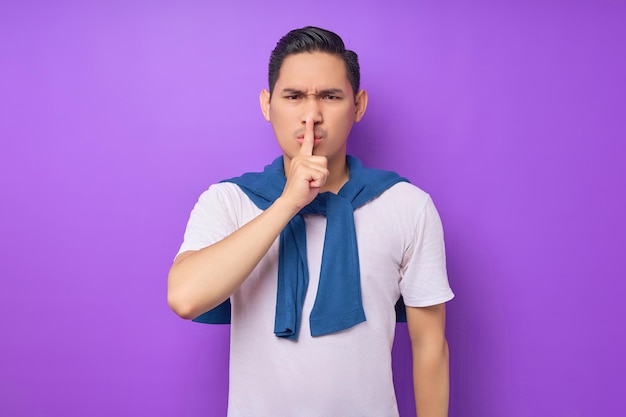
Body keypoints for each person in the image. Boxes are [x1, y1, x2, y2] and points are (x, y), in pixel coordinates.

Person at [168, 26, 454, 417]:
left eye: (330, 97)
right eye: (294, 97)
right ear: (267, 105)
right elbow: (185, 297)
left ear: (358, 105)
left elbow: (430, 346)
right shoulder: (228, 201)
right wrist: (288, 203)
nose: (311, 116)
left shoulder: (406, 205)